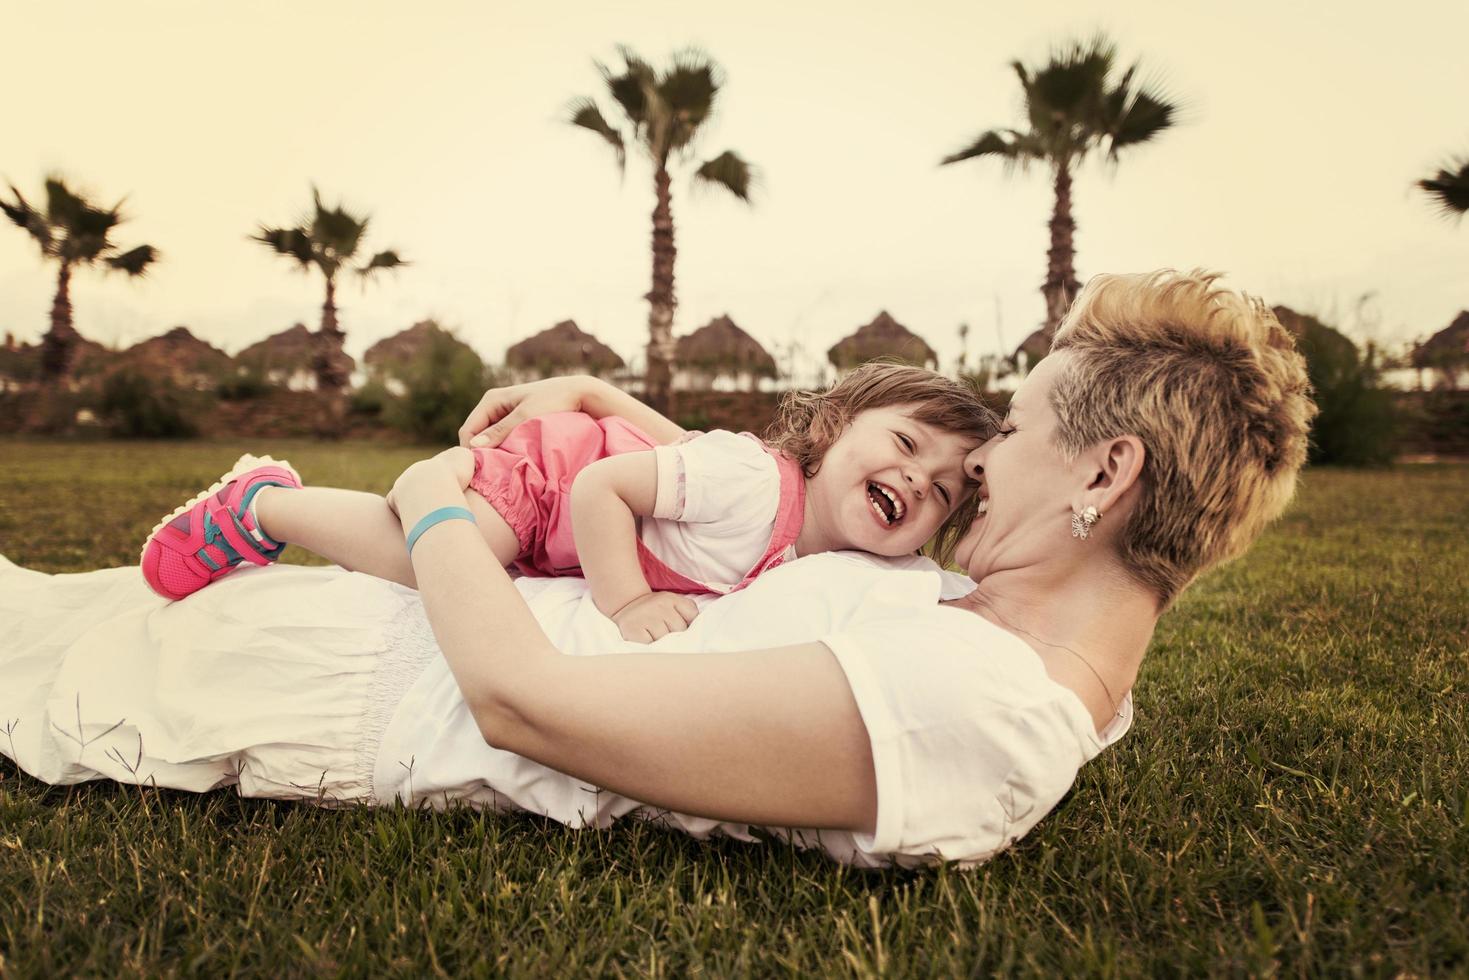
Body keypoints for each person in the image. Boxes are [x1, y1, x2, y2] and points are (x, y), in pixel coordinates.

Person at [0, 270, 1314, 867]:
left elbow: (528, 704)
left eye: (1014, 431)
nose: (983, 466)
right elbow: (751, 515)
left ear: (1105, 475)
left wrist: (432, 505)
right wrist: (590, 397)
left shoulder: (978, 701)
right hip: (389, 624)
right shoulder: (1001, 629)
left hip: (364, 688)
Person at [137, 364, 991, 642]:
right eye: (907, 447)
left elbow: (675, 446)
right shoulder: (762, 485)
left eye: (942, 491)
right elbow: (601, 484)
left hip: (568, 509)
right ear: (833, 430)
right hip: (554, 480)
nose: (919, 481)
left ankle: (268, 505)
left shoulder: (822, 551)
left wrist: (594, 391)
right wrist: (626, 601)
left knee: (454, 563)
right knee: (440, 562)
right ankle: (261, 506)